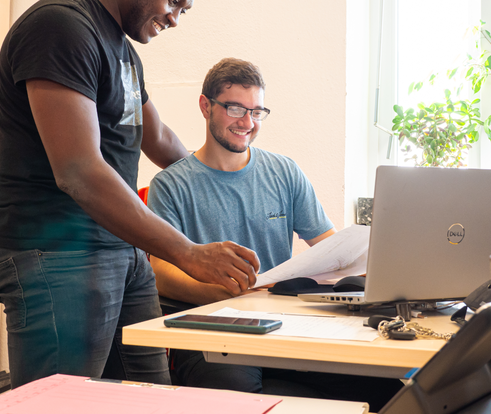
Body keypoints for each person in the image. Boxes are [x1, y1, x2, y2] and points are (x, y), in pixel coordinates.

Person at [0, 0, 260, 389]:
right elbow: (79, 172)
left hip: (121, 252)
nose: (175, 19)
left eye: (184, 10)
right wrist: (187, 253)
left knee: (149, 397)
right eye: (173, 0)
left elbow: (159, 138)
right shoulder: (62, 26)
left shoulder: (124, 52)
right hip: (55, 252)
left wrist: (228, 177)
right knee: (62, 403)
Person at [147, 58, 402, 411]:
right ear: (206, 106)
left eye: (257, 111)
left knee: (388, 389)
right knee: (235, 393)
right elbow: (160, 273)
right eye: (235, 109)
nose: (247, 122)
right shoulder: (171, 185)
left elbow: (331, 249)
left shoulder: (284, 172)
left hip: (284, 325)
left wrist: (369, 271)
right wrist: (223, 296)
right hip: (212, 331)